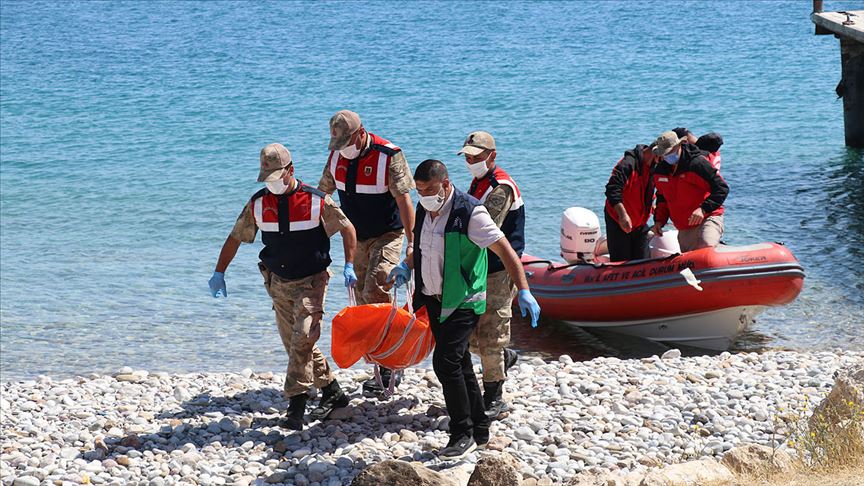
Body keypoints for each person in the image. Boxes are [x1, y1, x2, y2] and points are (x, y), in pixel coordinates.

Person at [387, 159, 541, 459]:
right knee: (460, 364)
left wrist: (524, 290)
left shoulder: (470, 212)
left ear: (445, 184)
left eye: (429, 189)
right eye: (419, 190)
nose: (424, 195)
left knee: (444, 364)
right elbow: (421, 247)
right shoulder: (424, 208)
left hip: (464, 300)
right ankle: (480, 427)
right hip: (433, 299)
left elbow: (506, 250)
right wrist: (405, 267)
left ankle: (462, 433)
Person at [209, 143, 358, 431]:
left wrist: (349, 265)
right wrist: (219, 272)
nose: (272, 184)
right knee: (298, 345)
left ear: (291, 171)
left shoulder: (317, 200)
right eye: (267, 179)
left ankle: (296, 407)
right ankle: (333, 393)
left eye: (277, 177)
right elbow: (236, 238)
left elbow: (347, 228)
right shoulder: (258, 203)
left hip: (311, 281)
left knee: (301, 339)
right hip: (277, 282)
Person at [318, 110, 415, 397]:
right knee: (362, 299)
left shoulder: (388, 155)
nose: (343, 149)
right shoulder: (336, 156)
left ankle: (391, 361)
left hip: (389, 233)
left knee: (376, 288)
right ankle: (379, 357)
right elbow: (322, 196)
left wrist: (411, 244)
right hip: (356, 236)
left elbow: (404, 200)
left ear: (361, 134)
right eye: (338, 143)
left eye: (348, 142)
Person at [460, 131, 523, 419]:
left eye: (477, 156)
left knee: (491, 334)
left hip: (499, 269)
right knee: (472, 337)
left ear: (492, 156)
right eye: (468, 157)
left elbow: (485, 229)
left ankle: (495, 396)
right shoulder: (479, 183)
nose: (472, 161)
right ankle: (503, 358)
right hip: (479, 266)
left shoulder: (501, 188)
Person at [650, 131, 729, 252]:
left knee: (706, 246)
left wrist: (703, 209)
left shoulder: (697, 163)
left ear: (678, 146)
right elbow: (662, 198)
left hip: (708, 217)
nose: (667, 156)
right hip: (684, 225)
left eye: (669, 152)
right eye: (664, 154)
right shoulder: (660, 171)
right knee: (691, 261)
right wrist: (659, 221)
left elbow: (721, 188)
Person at [604, 143, 659, 262]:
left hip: (640, 223)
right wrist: (622, 215)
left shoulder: (654, 167)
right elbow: (612, 189)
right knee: (622, 264)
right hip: (618, 221)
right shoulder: (627, 164)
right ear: (655, 154)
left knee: (644, 263)